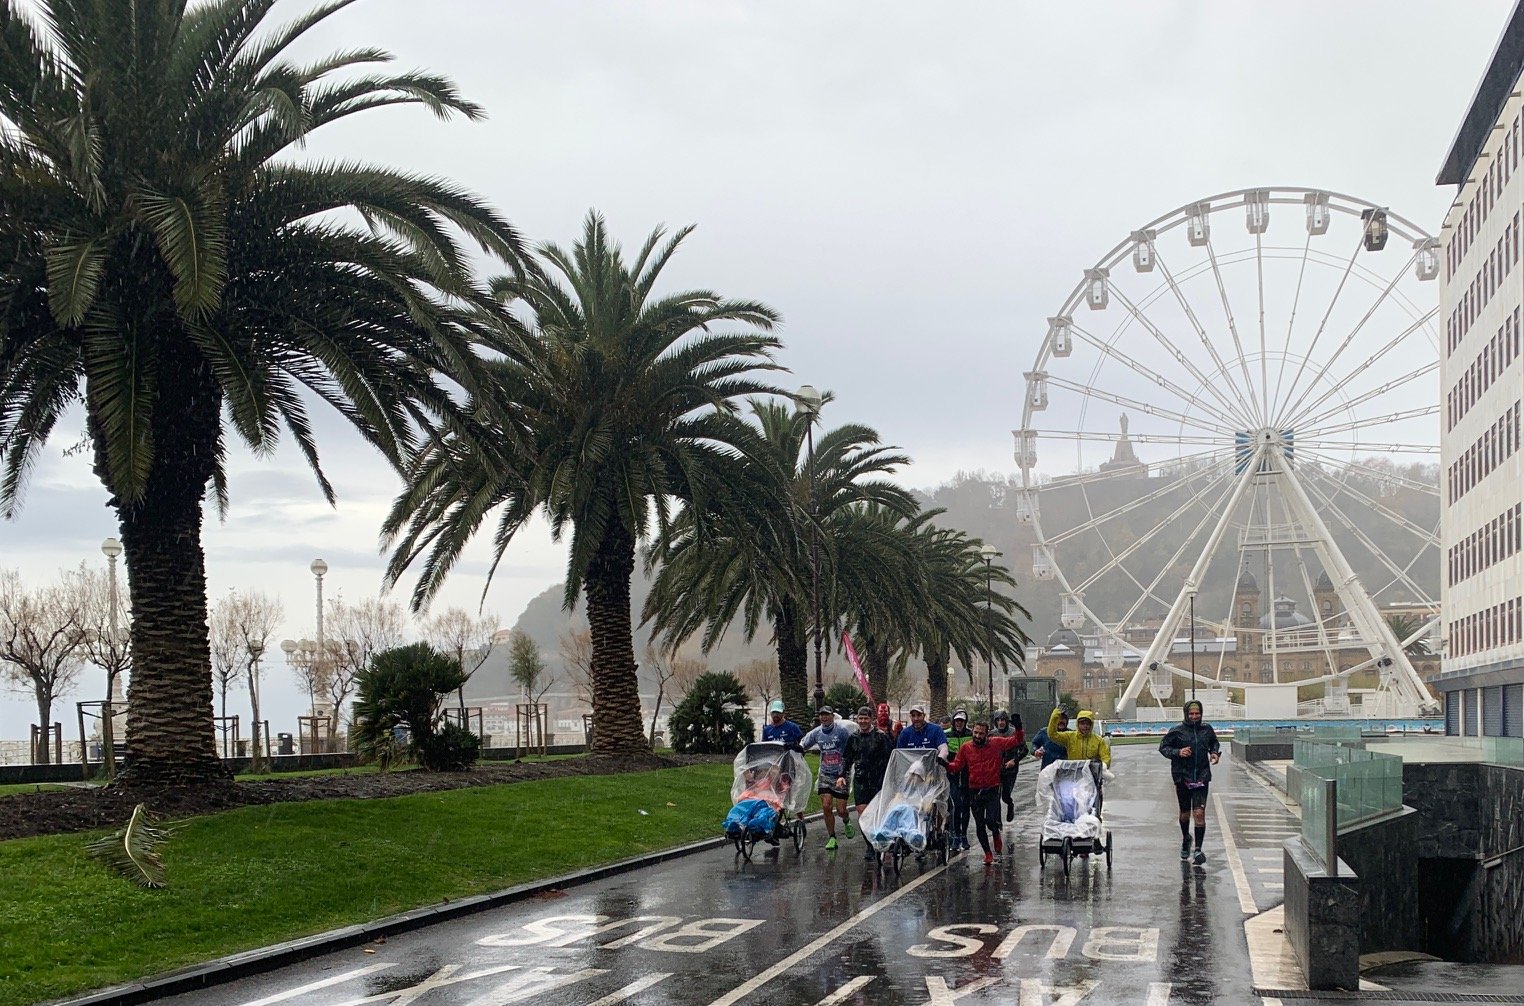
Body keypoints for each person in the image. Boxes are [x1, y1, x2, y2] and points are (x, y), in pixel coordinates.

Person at [945, 720, 1026, 865]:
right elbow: (957, 766)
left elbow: (1016, 741)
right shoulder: (966, 748)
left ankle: (995, 832)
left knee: (990, 820)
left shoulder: (996, 743)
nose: (977, 736)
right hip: (974, 791)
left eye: (980, 733)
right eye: (975, 733)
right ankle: (988, 853)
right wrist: (945, 764)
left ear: (986, 734)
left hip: (992, 789)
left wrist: (1019, 727)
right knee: (979, 824)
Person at [1159, 699, 1221, 864]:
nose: (1194, 717)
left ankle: (1198, 850)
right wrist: (1178, 752)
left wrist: (1214, 752)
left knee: (1199, 813)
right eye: (1191, 714)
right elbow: (1163, 748)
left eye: (1197, 714)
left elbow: (1214, 742)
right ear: (1186, 714)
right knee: (1185, 814)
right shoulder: (1177, 731)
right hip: (1182, 777)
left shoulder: (1206, 729)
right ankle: (1186, 838)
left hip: (1201, 776)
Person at [801, 706, 858, 850]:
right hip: (825, 773)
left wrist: (845, 770)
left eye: (826, 715)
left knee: (841, 809)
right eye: (821, 715)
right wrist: (795, 749)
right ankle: (832, 837)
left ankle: (846, 820)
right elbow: (804, 745)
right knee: (826, 806)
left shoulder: (841, 732)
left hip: (841, 774)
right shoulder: (817, 733)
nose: (824, 718)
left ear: (832, 716)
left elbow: (849, 751)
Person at [843, 706, 896, 859]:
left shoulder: (881, 737)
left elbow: (889, 759)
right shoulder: (853, 738)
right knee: (863, 814)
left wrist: (889, 779)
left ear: (872, 719)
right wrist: (841, 775)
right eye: (860, 718)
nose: (863, 721)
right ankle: (870, 845)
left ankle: (883, 840)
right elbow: (847, 759)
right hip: (861, 780)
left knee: (879, 814)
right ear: (857, 720)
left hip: (878, 780)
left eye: (866, 718)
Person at [990, 710, 1028, 822]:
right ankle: (997, 821)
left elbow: (1024, 750)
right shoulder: (992, 734)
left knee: (1005, 795)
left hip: (1010, 769)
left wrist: (1014, 760)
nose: (1001, 723)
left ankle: (1010, 804)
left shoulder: (1014, 733)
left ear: (1007, 721)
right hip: (996, 769)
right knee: (995, 796)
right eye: (998, 720)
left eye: (1003, 720)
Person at [944, 709, 973, 852]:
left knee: (966, 806)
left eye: (961, 721)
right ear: (953, 722)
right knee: (956, 805)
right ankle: (955, 836)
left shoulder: (971, 734)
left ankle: (964, 835)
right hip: (952, 775)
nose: (959, 724)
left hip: (967, 775)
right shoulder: (946, 734)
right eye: (957, 721)